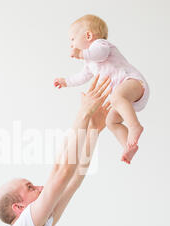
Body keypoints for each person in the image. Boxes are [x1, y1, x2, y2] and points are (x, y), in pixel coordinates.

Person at [0, 75, 111, 226]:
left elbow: (74, 177)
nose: (39, 187)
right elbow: (61, 171)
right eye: (30, 187)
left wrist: (94, 130)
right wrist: (83, 113)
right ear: (19, 207)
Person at [54, 14, 150, 164]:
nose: (71, 44)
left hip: (133, 83)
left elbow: (100, 54)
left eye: (73, 39)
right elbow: (82, 76)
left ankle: (134, 126)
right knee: (111, 121)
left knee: (116, 97)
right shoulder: (89, 62)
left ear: (88, 35)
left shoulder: (101, 45)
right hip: (124, 99)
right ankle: (128, 146)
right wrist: (66, 81)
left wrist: (80, 53)